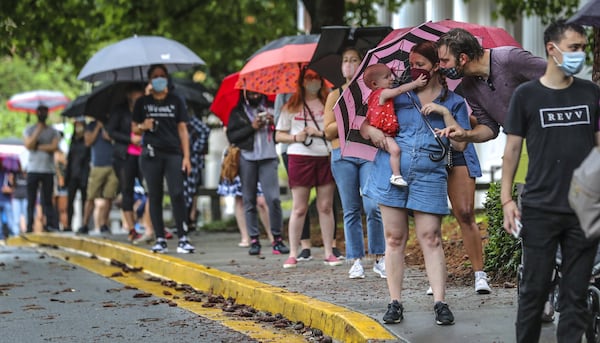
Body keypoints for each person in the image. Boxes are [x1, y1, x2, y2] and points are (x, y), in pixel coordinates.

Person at [500, 20, 600, 343]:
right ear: (552, 49)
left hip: (583, 211)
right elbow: (512, 151)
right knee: (533, 292)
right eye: (574, 48)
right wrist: (506, 201)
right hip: (541, 208)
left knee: (576, 294)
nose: (580, 55)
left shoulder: (590, 93)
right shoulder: (526, 96)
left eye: (584, 49)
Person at [360, 41, 468, 326]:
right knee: (394, 239)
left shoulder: (453, 101)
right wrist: (372, 131)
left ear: (435, 67)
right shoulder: (397, 95)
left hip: (430, 175)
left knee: (431, 237)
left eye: (420, 63)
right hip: (390, 174)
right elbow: (365, 123)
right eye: (411, 63)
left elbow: (458, 147)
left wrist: (444, 115)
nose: (413, 68)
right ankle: (395, 302)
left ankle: (440, 303)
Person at [436, 28, 547, 294]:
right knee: (528, 219)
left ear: (462, 58)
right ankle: (541, 289)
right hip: (520, 149)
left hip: (554, 141)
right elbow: (489, 127)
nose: (441, 68)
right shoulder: (469, 88)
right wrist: (467, 134)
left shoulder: (509, 59)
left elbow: (556, 78)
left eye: (444, 61)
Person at [323, 47, 387, 279]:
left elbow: (379, 121)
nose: (349, 64)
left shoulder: (370, 92)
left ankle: (380, 257)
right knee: (350, 209)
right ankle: (356, 260)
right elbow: (328, 130)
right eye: (345, 60)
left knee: (373, 206)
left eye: (354, 60)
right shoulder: (334, 94)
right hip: (342, 155)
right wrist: (348, 121)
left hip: (368, 153)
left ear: (362, 64)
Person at [276, 68, 340, 268]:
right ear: (302, 82)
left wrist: (318, 133)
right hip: (299, 157)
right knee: (299, 207)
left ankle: (329, 251)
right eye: (309, 78)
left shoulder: (328, 102)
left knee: (325, 206)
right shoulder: (291, 106)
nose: (313, 82)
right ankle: (293, 253)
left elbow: (334, 129)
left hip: (324, 155)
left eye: (316, 78)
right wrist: (296, 137)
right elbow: (279, 135)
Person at [132, 64, 194, 254]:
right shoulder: (142, 103)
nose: (159, 79)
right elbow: (134, 130)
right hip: (151, 154)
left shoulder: (176, 101)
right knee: (155, 195)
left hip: (173, 153)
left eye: (162, 76)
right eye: (155, 76)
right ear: (150, 80)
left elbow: (183, 130)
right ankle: (159, 238)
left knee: (177, 193)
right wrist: (144, 126)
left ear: (167, 78)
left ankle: (183, 237)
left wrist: (187, 157)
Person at [226, 90, 289, 256]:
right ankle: (254, 239)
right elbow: (232, 136)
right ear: (244, 93)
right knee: (249, 199)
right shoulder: (238, 112)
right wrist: (251, 127)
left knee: (273, 198)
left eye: (257, 92)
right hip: (247, 158)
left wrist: (273, 122)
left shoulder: (271, 107)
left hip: (268, 157)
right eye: (251, 93)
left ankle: (277, 238)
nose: (255, 95)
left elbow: (284, 129)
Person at [363, 63, 427, 187]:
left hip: (385, 132)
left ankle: (396, 175)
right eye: (387, 77)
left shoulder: (374, 96)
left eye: (391, 75)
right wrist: (416, 83)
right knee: (395, 150)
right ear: (374, 84)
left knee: (394, 150)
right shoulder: (382, 93)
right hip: (383, 134)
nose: (392, 78)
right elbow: (399, 90)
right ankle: (396, 175)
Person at [106, 83, 145, 241]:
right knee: (126, 190)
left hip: (143, 154)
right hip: (124, 155)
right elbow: (111, 131)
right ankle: (131, 228)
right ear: (129, 94)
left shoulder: (145, 109)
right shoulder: (119, 110)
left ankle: (147, 224)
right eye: (134, 93)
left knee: (147, 190)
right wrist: (129, 139)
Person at [77, 117, 118, 235]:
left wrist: (109, 136)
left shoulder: (113, 123)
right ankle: (84, 224)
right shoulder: (91, 125)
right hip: (97, 165)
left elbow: (119, 138)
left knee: (109, 196)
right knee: (91, 196)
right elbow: (87, 142)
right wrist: (98, 128)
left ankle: (104, 224)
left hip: (112, 164)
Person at [23, 105, 60, 233]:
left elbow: (54, 147)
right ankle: (29, 226)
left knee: (47, 200)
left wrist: (38, 146)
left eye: (45, 111)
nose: (42, 114)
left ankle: (49, 224)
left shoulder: (53, 131)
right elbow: (28, 144)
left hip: (48, 170)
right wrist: (38, 131)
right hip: (33, 169)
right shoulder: (30, 129)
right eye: (40, 112)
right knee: (31, 200)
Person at [65, 117, 90, 233]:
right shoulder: (73, 140)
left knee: (85, 201)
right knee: (70, 201)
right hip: (73, 176)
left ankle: (84, 224)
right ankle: (68, 224)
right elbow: (69, 159)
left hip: (84, 175)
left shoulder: (87, 141)